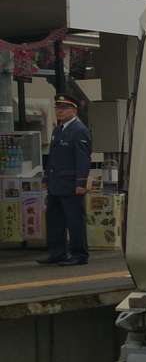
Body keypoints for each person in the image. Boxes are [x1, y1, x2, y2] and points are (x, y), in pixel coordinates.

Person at [38, 95, 91, 266]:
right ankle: (57, 253)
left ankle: (79, 254)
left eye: (64, 108)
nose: (59, 111)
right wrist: (46, 178)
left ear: (74, 110)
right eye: (58, 108)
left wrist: (80, 183)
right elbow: (52, 157)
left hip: (70, 184)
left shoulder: (79, 129)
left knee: (74, 220)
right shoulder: (58, 130)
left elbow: (83, 159)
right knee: (54, 220)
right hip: (55, 184)